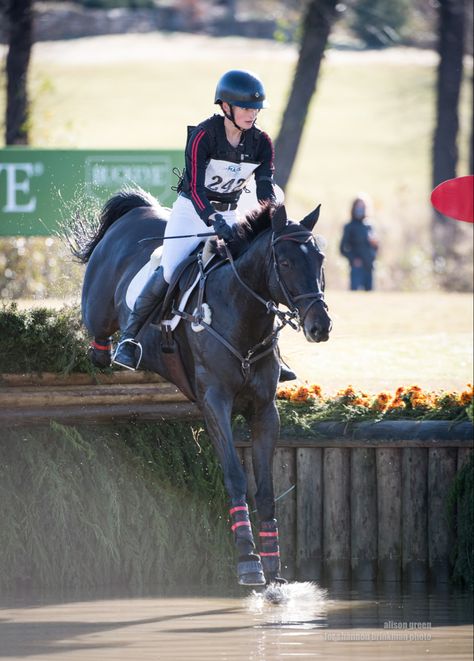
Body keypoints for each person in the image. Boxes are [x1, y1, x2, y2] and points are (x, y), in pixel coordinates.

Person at [113, 69, 296, 381]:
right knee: (171, 268)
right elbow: (197, 189)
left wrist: (272, 214)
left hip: (231, 212)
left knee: (250, 271)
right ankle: (128, 338)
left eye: (255, 109)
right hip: (191, 210)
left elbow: (265, 188)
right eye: (246, 108)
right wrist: (213, 220)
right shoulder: (203, 136)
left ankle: (273, 353)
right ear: (226, 107)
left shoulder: (262, 143)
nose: (252, 114)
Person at [339, 195, 379, 291]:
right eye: (358, 206)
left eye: (363, 207)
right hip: (357, 268)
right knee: (354, 295)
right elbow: (342, 248)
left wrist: (375, 244)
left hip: (369, 266)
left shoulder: (369, 225)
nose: (360, 209)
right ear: (354, 208)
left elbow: (376, 248)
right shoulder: (349, 226)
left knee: (369, 298)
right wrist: (353, 260)